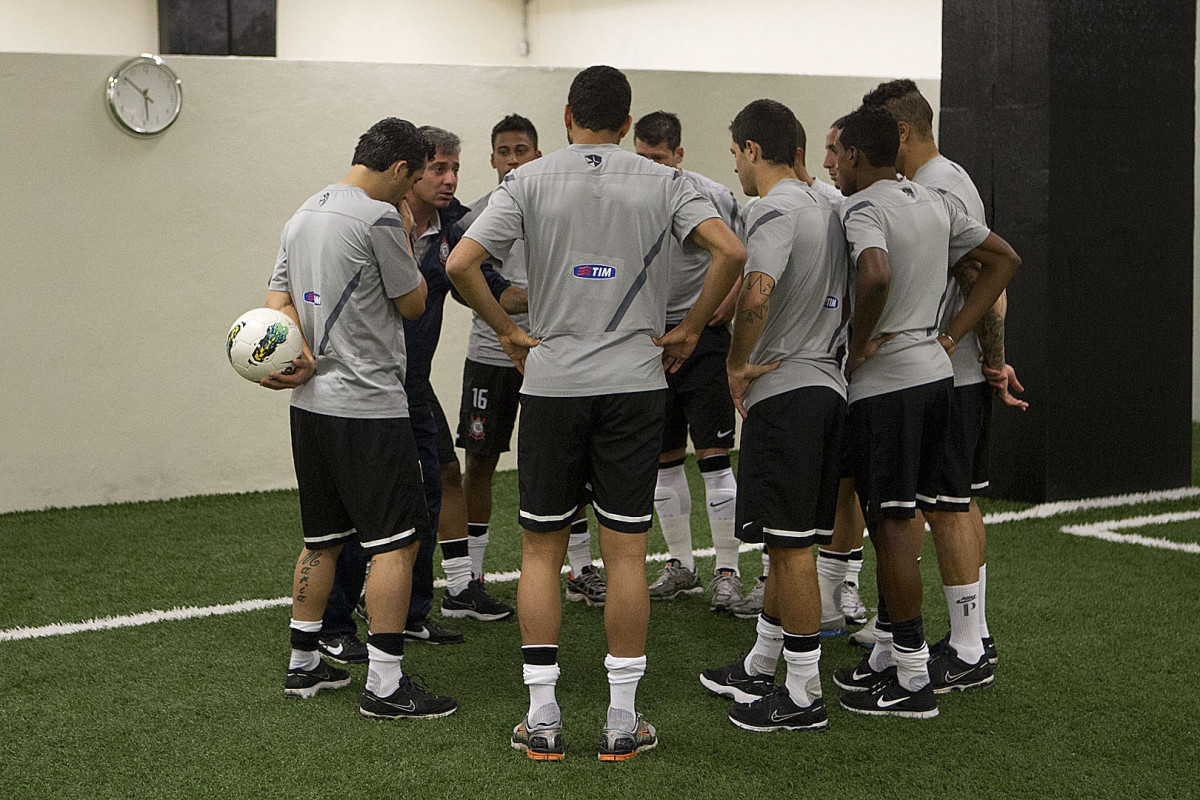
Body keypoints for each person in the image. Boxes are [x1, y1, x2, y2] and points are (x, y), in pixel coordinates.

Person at [447, 65, 745, 760]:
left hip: (552, 383)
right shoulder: (665, 180)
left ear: (566, 114)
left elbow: (462, 263)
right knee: (626, 552)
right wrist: (695, 326)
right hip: (635, 384)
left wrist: (507, 330)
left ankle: (543, 717)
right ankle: (620, 720)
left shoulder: (529, 179)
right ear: (626, 119)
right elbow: (731, 251)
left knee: (542, 551)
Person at [830, 105, 1020, 719]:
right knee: (915, 515)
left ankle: (912, 677)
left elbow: (875, 271)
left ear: (858, 156)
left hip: (887, 386)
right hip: (938, 378)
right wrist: (950, 334)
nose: (834, 165)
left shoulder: (864, 207)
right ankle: (894, 652)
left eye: (838, 154)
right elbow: (1002, 261)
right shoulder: (934, 201)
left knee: (890, 528)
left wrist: (857, 345)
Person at [266, 117, 457, 719]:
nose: (412, 194)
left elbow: (277, 303)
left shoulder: (303, 213)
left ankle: (303, 665)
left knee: (321, 540)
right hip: (371, 406)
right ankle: (384, 685)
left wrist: (298, 354)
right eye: (413, 181)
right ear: (400, 170)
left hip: (312, 407)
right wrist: (402, 231)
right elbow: (413, 301)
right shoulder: (378, 217)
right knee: (395, 544)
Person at [697, 99, 849, 732]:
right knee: (793, 544)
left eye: (735, 153)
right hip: (829, 388)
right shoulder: (833, 204)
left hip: (785, 392)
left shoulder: (772, 208)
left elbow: (756, 292)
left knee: (790, 552)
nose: (733, 165)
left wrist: (735, 361)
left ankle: (803, 693)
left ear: (753, 150)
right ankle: (764, 663)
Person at [455, 114, 607, 608]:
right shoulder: (472, 218)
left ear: (538, 156)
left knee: (571, 461)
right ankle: (470, 579)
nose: (513, 159)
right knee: (479, 461)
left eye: (522, 150)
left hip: (554, 355)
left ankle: (581, 569)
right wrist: (513, 306)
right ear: (492, 158)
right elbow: (461, 281)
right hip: (492, 354)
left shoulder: (564, 207)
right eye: (504, 151)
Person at [632, 110, 747, 612]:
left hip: (702, 342)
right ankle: (682, 566)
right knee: (663, 464)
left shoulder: (714, 196)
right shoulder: (628, 198)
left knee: (716, 462)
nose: (650, 167)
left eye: (658, 158)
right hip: (652, 345)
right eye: (642, 158)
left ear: (679, 155)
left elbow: (744, 258)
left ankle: (728, 571)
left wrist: (712, 316)